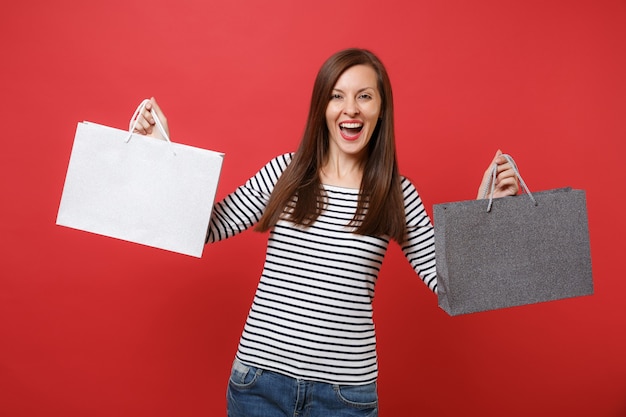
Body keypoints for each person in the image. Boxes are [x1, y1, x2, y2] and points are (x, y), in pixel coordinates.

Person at [132, 48, 519, 417]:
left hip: (345, 398)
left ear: (381, 109)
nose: (350, 109)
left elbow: (454, 286)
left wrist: (487, 214)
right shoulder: (288, 172)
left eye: (364, 96)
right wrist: (161, 156)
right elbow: (204, 228)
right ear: (322, 107)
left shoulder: (395, 193)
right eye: (337, 96)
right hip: (259, 385)